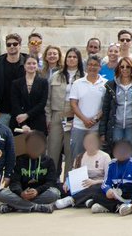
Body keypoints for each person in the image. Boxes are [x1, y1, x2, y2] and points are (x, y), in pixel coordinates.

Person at [0, 131, 60, 213]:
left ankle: (15, 207)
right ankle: (37, 207)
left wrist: (37, 191)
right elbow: (14, 182)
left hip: (40, 193)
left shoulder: (49, 161)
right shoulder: (19, 160)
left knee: (55, 193)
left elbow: (51, 182)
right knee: (2, 194)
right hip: (22, 194)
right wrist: (21, 193)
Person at [101, 57, 132, 158]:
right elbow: (106, 109)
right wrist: (102, 131)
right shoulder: (111, 85)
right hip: (116, 126)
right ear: (119, 68)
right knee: (116, 154)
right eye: (122, 66)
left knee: (131, 155)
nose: (125, 69)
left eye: (128, 67)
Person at [86, 139, 132, 215]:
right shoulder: (111, 164)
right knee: (97, 193)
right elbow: (105, 183)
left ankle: (110, 207)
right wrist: (108, 190)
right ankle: (120, 207)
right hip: (117, 196)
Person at [47, 47, 82, 175]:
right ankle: (50, 180)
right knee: (53, 149)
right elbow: (48, 99)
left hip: (74, 115)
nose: (71, 59)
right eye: (69, 56)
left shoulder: (83, 77)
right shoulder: (56, 76)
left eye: (74, 57)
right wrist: (48, 118)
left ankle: (68, 182)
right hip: (56, 113)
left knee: (70, 150)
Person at [67, 55, 108, 161]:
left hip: (96, 128)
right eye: (90, 64)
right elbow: (73, 104)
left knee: (94, 159)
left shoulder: (106, 84)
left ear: (100, 67)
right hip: (79, 127)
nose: (92, 67)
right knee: (77, 158)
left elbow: (106, 106)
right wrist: (84, 119)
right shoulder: (77, 83)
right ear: (86, 66)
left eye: (96, 65)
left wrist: (95, 120)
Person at [59, 130, 109, 209]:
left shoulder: (105, 157)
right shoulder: (79, 157)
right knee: (60, 187)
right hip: (81, 185)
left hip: (96, 184)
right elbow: (73, 173)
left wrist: (94, 182)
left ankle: (73, 199)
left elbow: (109, 179)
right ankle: (86, 201)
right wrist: (67, 182)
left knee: (97, 189)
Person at [0, 33, 25, 128]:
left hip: (22, 112)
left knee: (20, 142)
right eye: (9, 44)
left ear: (20, 46)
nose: (12, 46)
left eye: (15, 44)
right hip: (2, 111)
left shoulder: (27, 63)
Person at [9, 54, 49, 134]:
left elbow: (42, 103)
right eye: (29, 63)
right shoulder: (16, 83)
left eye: (34, 63)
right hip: (19, 121)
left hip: (37, 121)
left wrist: (27, 115)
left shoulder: (43, 82)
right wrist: (23, 123)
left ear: (37, 66)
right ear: (24, 66)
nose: (31, 66)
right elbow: (15, 104)